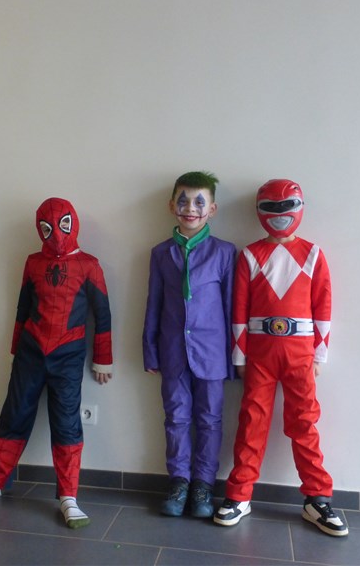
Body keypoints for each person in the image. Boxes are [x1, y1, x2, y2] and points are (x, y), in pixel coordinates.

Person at [0, 197, 113, 529]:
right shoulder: (32, 263)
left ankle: (68, 496)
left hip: (69, 355)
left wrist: (103, 359)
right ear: (40, 230)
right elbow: (22, 308)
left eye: (63, 225)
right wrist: (16, 347)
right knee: (14, 414)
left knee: (66, 422)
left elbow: (103, 314)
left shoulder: (89, 265)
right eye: (48, 229)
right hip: (30, 353)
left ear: (73, 223)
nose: (57, 235)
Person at [214, 179, 348, 537]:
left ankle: (317, 498)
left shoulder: (313, 254)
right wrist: (240, 355)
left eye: (286, 207)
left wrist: (319, 353)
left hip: (300, 354)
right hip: (260, 354)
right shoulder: (249, 255)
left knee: (305, 422)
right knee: (252, 422)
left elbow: (323, 306)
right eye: (271, 208)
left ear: (299, 208)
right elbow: (239, 310)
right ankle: (239, 495)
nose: (279, 214)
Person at [143, 171, 236, 518]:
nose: (190, 208)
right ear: (172, 206)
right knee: (176, 418)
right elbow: (153, 304)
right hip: (172, 352)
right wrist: (150, 350)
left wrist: (235, 357)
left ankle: (203, 485)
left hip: (212, 354)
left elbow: (231, 308)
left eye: (199, 202)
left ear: (212, 209)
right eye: (183, 201)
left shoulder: (224, 253)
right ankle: (179, 481)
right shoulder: (160, 253)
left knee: (210, 420)